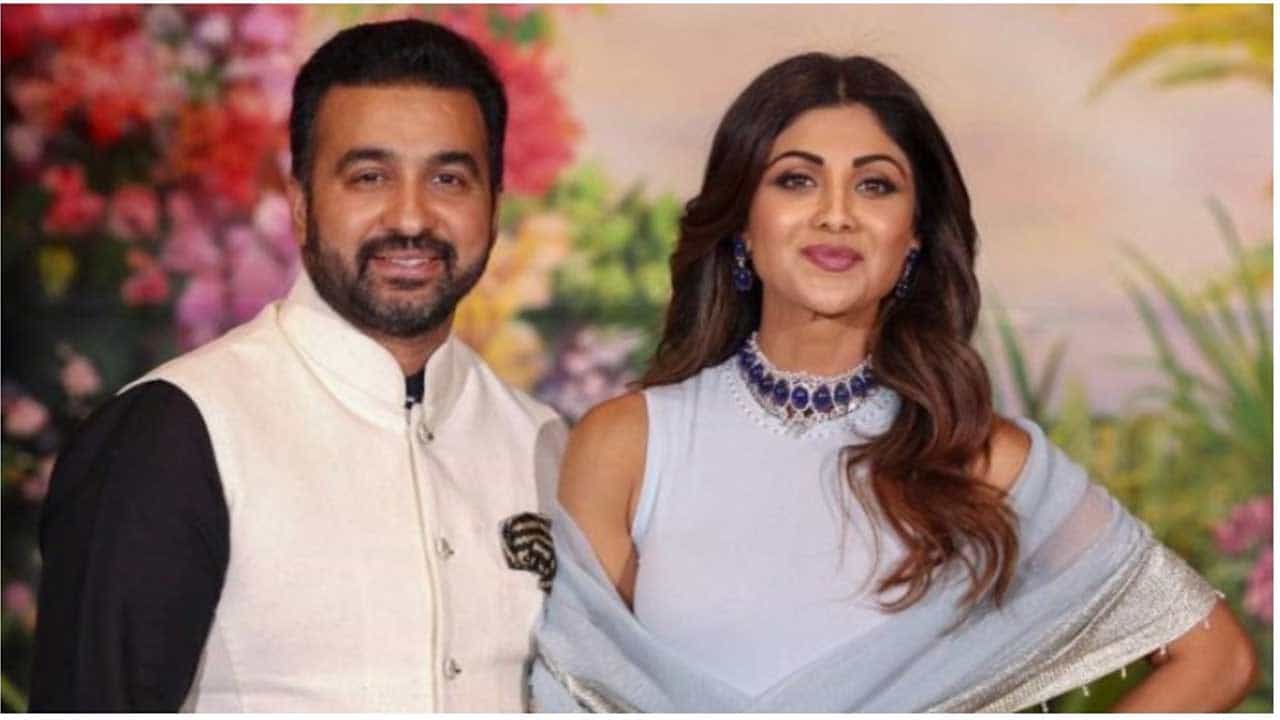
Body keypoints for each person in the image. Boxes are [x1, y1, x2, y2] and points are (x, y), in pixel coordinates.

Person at [530, 53, 1257, 712]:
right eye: (796, 180)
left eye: (874, 185)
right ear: (743, 224)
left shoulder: (981, 461)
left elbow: (1216, 658)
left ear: (913, 236)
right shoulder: (630, 444)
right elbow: (579, 696)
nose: (836, 214)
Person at [30, 19, 566, 712]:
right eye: (369, 177)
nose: (411, 218)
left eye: (448, 178)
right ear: (302, 203)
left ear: (493, 207)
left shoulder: (543, 443)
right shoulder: (175, 432)